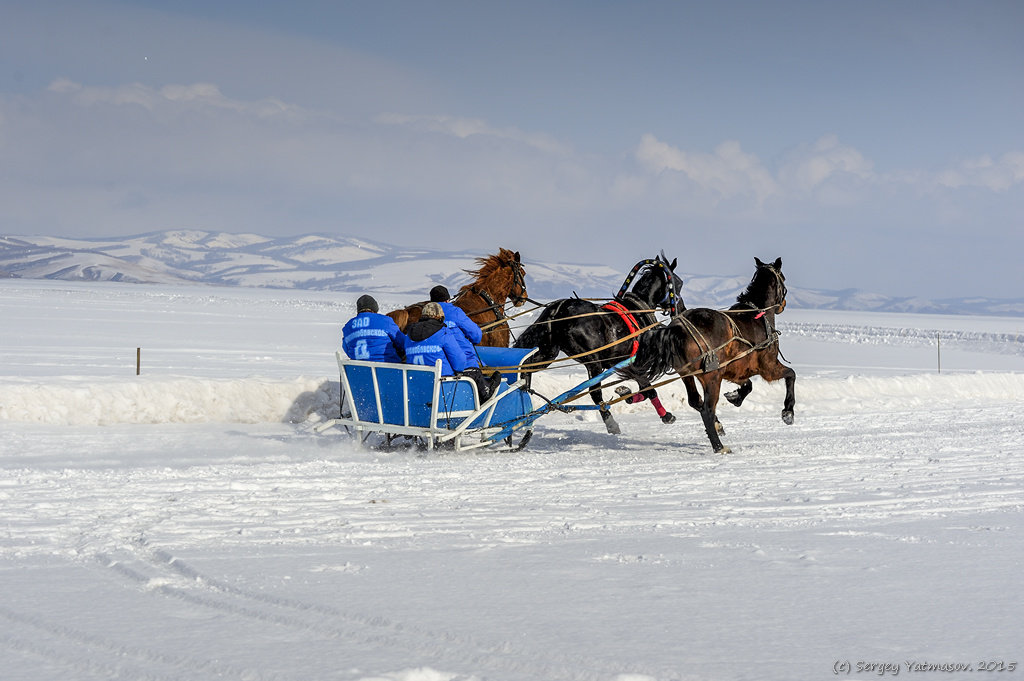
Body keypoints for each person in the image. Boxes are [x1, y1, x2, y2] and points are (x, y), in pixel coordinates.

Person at [406, 302, 502, 401]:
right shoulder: (443, 333)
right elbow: (459, 363)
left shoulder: (408, 337)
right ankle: (485, 392)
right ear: (440, 317)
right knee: (474, 372)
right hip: (444, 387)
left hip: (417, 384)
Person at [429, 285, 483, 368]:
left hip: (435, 362)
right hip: (464, 363)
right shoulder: (455, 311)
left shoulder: (426, 314)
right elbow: (476, 335)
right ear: (447, 300)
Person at [341, 294, 407, 363]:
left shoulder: (348, 326)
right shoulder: (385, 321)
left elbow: (347, 349)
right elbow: (402, 343)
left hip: (357, 371)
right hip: (387, 370)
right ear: (375, 308)